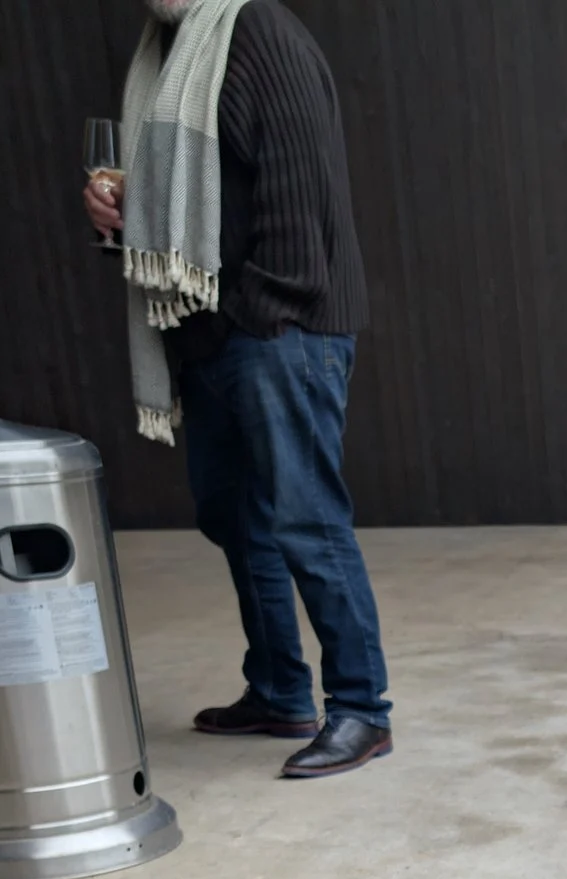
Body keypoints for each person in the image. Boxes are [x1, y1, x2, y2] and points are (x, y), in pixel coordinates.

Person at [86, 0, 391, 779]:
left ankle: (361, 709)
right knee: (234, 516)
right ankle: (280, 691)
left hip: (279, 329)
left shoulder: (257, 32)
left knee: (305, 519)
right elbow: (196, 203)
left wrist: (256, 314)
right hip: (209, 334)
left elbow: (300, 191)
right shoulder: (165, 53)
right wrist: (122, 218)